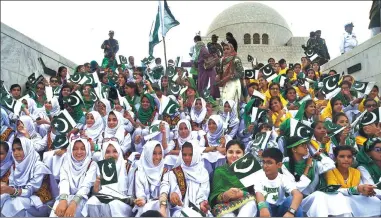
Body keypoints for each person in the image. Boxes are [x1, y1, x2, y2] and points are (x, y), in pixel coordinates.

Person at [282, 136, 352, 217]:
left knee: (337, 195)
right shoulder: (285, 166)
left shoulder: (313, 162)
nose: (306, 147)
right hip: (296, 203)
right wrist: (307, 167)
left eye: (306, 144)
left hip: (312, 200)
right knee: (319, 195)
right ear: (294, 149)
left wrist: (320, 154)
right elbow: (297, 188)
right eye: (302, 145)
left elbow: (330, 165)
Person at [1, 137, 58, 217]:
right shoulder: (15, 166)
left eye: (19, 149)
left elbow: (30, 190)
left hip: (40, 203)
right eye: (14, 150)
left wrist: (12, 191)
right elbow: (12, 184)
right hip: (22, 198)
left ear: (27, 148)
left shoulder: (39, 167)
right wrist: (6, 189)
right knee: (3, 198)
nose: (16, 153)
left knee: (14, 204)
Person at [325, 146, 381, 216]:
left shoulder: (356, 172)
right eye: (342, 156)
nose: (346, 159)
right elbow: (333, 190)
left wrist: (366, 190)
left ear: (352, 159)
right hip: (338, 201)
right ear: (335, 158)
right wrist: (356, 189)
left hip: (354, 199)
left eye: (349, 157)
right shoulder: (330, 172)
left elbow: (359, 188)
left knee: (376, 202)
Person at [160, 141, 210, 217]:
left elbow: (203, 193)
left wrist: (201, 203)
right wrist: (174, 196)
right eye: (184, 155)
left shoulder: (203, 173)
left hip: (198, 209)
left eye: (190, 155)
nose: (187, 158)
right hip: (179, 211)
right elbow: (172, 191)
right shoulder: (174, 172)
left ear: (195, 154)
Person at [49, 136, 97, 217]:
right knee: (57, 213)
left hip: (82, 198)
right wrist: (63, 200)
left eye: (82, 149)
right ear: (70, 150)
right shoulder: (67, 162)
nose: (79, 152)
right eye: (75, 149)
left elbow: (86, 186)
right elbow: (64, 180)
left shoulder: (92, 164)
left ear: (87, 150)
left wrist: (73, 203)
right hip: (65, 196)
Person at [82, 140, 132, 217]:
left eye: (115, 151)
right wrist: (96, 184)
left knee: (110, 204)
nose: (111, 155)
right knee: (92, 202)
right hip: (105, 198)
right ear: (103, 154)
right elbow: (96, 194)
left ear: (119, 152)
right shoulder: (102, 167)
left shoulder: (127, 167)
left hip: (124, 203)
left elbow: (131, 194)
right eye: (107, 152)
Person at [209, 140, 258, 217]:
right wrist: (224, 196)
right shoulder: (219, 171)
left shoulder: (249, 170)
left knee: (250, 204)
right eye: (230, 152)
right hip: (224, 205)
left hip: (246, 201)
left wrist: (243, 193)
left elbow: (258, 192)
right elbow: (214, 198)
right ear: (226, 153)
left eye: (238, 152)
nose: (234, 156)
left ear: (243, 154)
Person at [253, 147, 304, 217]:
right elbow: (259, 193)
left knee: (291, 200)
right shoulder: (259, 176)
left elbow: (298, 195)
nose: (265, 166)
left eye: (269, 163)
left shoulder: (283, 178)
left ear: (279, 165)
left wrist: (291, 212)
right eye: (264, 162)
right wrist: (263, 208)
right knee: (263, 203)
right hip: (265, 209)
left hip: (280, 209)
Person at [133, 141, 166, 217]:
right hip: (145, 205)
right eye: (154, 153)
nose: (158, 157)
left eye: (160, 153)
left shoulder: (165, 171)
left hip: (162, 205)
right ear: (147, 153)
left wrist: (162, 201)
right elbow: (140, 192)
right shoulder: (140, 172)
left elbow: (165, 191)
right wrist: (142, 199)